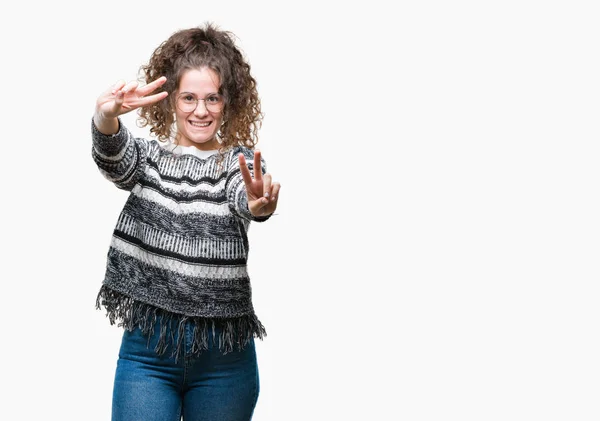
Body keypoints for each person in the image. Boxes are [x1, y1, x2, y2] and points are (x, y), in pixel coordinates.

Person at [91, 23, 280, 421]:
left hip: (224, 362)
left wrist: (257, 203)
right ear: (171, 101)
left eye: (212, 98)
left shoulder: (236, 164)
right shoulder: (149, 160)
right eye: (189, 98)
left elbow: (245, 197)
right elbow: (115, 159)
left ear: (228, 101)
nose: (200, 110)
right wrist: (105, 117)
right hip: (148, 356)